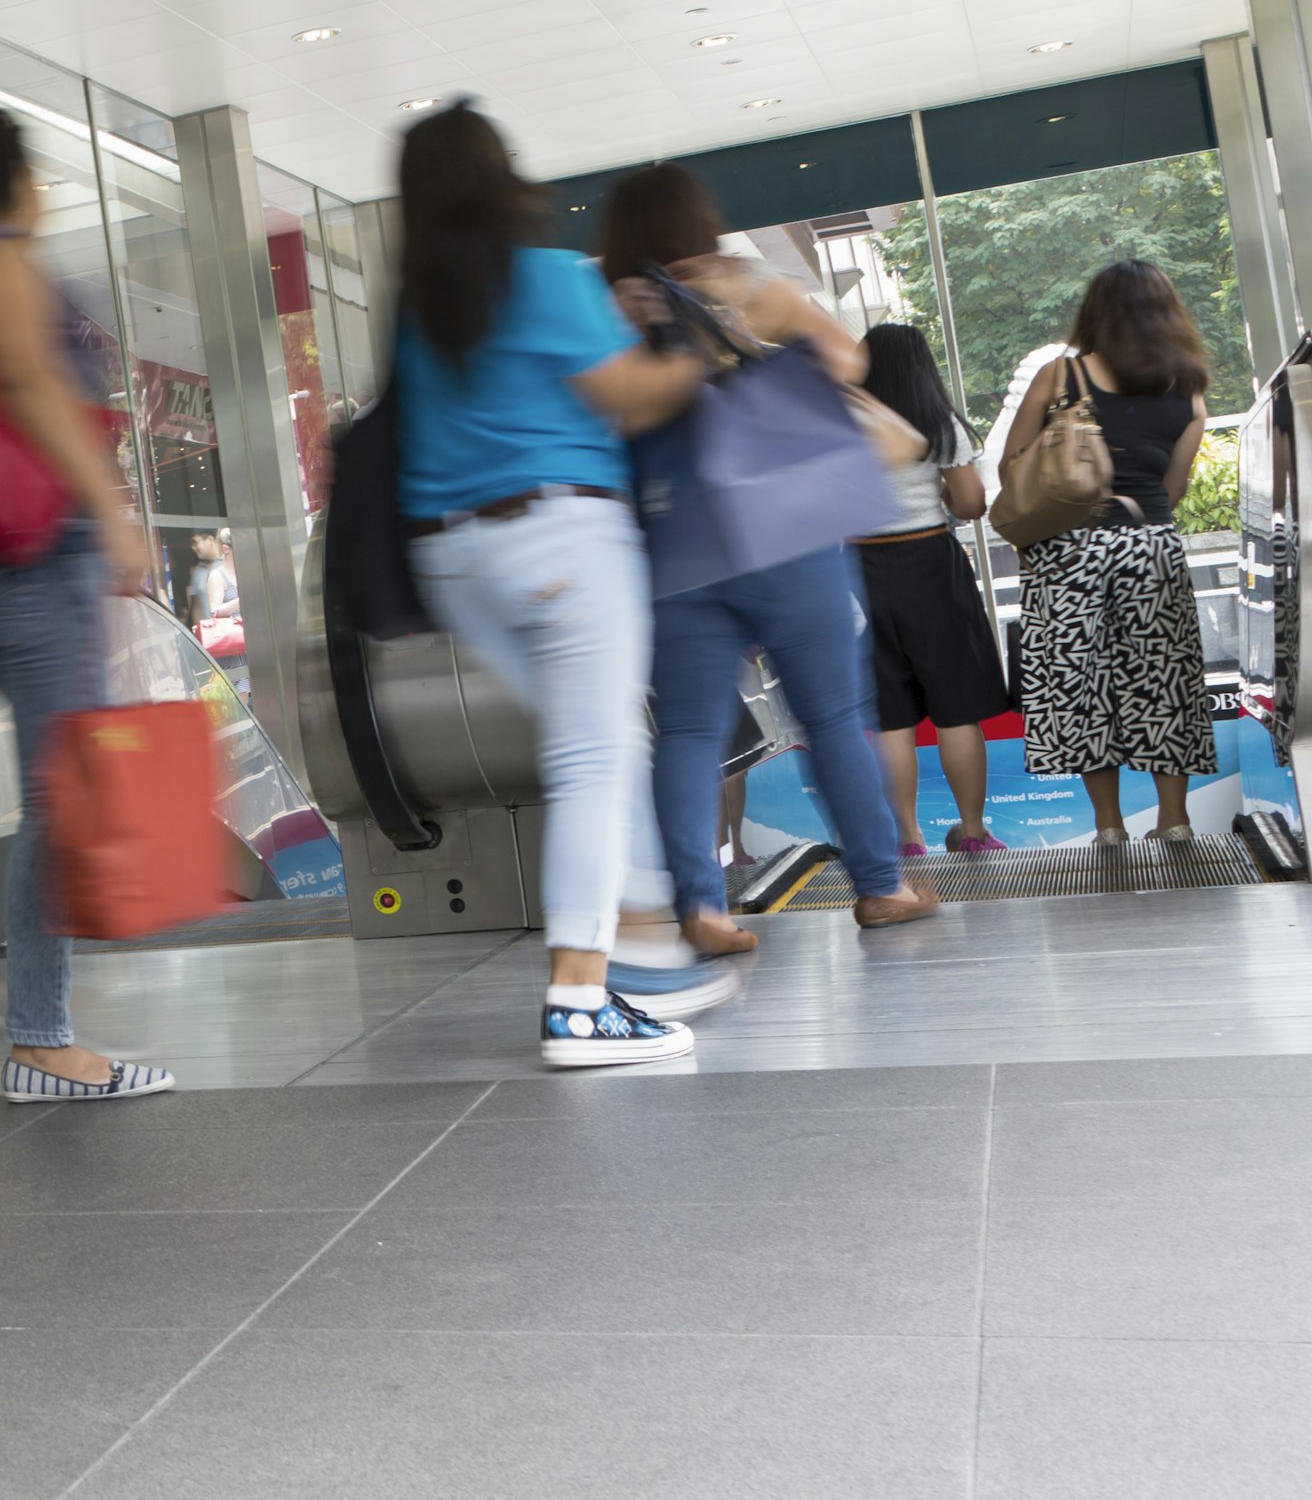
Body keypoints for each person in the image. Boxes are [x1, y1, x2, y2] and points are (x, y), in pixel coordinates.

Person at [389, 110, 723, 1070]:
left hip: (455, 563)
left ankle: (647, 935)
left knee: (606, 743)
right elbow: (630, 399)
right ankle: (581, 996)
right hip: (562, 542)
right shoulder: (543, 277)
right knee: (592, 757)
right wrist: (698, 350)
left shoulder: (423, 309)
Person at [0, 110, 175, 1103]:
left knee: (56, 793)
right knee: (59, 799)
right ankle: (42, 1039)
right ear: (9, 178)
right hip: (25, 561)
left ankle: (43, 1032)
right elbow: (24, 382)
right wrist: (112, 513)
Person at [594, 165, 931, 943]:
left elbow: (600, 412)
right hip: (789, 532)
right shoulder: (742, 283)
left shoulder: (607, 310)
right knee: (836, 716)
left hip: (675, 548)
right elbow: (848, 361)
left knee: (686, 733)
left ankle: (703, 906)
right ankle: (881, 886)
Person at [1002, 260, 1219, 843]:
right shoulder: (1189, 385)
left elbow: (1012, 471)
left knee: (1080, 683)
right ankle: (1174, 820)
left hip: (1068, 550)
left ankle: (1108, 825)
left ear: (1095, 310)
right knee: (1164, 680)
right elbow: (1175, 485)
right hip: (1151, 547)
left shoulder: (1061, 374)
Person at [853, 321, 1009, 855]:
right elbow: (970, 505)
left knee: (891, 717)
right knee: (956, 709)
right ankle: (972, 832)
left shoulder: (841, 422)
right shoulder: (939, 423)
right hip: (930, 565)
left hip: (860, 569)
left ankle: (908, 839)